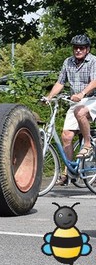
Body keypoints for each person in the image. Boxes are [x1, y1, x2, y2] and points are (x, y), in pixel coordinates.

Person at [44, 34, 96, 185]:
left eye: (81, 48)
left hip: (92, 99)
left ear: (87, 49)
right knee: (66, 136)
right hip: (77, 101)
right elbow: (60, 83)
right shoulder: (68, 62)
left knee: (80, 112)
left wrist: (82, 93)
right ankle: (69, 172)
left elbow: (94, 81)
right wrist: (49, 97)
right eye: (75, 47)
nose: (78, 50)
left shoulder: (93, 61)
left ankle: (87, 145)